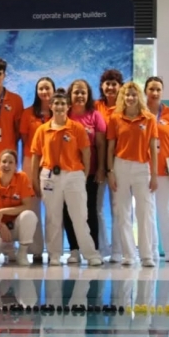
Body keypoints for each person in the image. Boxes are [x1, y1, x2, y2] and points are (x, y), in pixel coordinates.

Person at [30, 89, 103, 267]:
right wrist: (34, 180)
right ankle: (54, 254)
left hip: (74, 175)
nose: (60, 106)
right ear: (51, 106)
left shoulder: (76, 128)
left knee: (79, 217)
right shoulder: (42, 130)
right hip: (49, 176)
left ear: (68, 106)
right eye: (56, 103)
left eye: (63, 103)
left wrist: (83, 175)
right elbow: (35, 156)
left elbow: (86, 153)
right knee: (53, 217)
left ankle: (90, 254)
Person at [106, 81, 159, 267]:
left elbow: (153, 148)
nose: (130, 98)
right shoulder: (115, 118)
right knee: (122, 212)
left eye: (134, 95)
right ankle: (128, 254)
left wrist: (154, 174)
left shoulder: (149, 119)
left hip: (142, 168)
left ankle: (146, 255)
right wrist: (110, 172)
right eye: (127, 95)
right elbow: (110, 148)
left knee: (144, 212)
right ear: (123, 97)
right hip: (120, 166)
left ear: (139, 97)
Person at [63, 79, 107, 264]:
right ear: (70, 95)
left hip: (90, 172)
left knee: (89, 211)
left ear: (88, 95)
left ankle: (93, 249)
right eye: (76, 92)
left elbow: (101, 145)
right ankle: (74, 250)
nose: (79, 96)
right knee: (68, 211)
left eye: (83, 92)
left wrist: (101, 168)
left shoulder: (95, 116)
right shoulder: (64, 115)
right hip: (67, 173)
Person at [145, 77, 169, 263]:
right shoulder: (140, 113)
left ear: (162, 92)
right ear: (145, 91)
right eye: (151, 89)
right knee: (148, 212)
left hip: (166, 170)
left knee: (164, 210)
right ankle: (152, 251)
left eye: (158, 89)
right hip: (144, 169)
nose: (155, 93)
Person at [0, 149, 37, 266]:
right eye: (4, 161)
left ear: (16, 165)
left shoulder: (22, 178)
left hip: (14, 227)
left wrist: (3, 211)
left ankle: (22, 253)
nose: (7, 165)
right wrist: (0, 225)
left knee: (29, 215)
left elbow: (27, 206)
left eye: (11, 162)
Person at [19, 77, 55, 265]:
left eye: (47, 88)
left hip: (52, 164)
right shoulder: (27, 113)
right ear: (36, 91)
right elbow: (25, 139)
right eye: (41, 88)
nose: (44, 92)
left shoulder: (59, 113)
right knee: (32, 208)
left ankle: (54, 250)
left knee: (52, 209)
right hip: (31, 161)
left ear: (53, 90)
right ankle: (36, 250)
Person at [95, 69, 124, 262]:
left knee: (118, 208)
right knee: (97, 208)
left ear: (120, 87)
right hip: (98, 163)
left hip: (118, 164)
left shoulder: (125, 107)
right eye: (108, 83)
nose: (111, 87)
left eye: (114, 84)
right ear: (102, 86)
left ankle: (118, 250)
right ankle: (101, 248)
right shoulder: (95, 106)